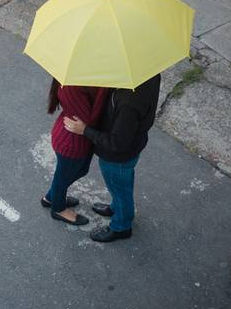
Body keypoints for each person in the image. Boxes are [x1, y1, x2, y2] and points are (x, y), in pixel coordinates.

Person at [63, 74, 161, 242]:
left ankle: (121, 226)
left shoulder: (129, 102)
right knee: (123, 184)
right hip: (134, 145)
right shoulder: (150, 75)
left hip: (117, 156)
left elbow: (117, 142)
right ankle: (116, 208)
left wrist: (85, 130)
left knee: (120, 190)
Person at [43, 78, 109, 226]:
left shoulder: (81, 81)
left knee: (79, 171)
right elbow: (88, 120)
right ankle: (58, 209)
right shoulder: (72, 87)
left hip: (78, 139)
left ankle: (50, 197)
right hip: (71, 142)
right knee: (63, 177)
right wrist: (105, 89)